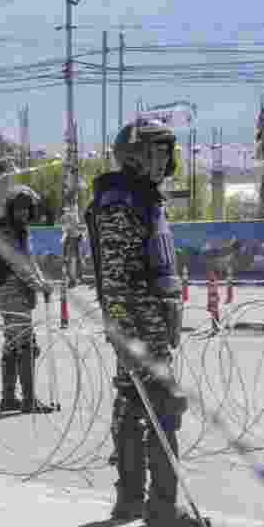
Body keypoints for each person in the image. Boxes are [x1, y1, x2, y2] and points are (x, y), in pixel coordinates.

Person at [86, 118, 209, 526]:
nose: (168, 159)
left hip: (149, 323)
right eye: (160, 150)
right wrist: (124, 332)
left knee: (134, 406)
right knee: (162, 408)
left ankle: (130, 502)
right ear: (137, 155)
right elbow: (118, 277)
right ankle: (162, 509)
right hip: (139, 326)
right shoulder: (120, 202)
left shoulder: (142, 198)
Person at [0, 186, 53, 413]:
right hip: (11, 291)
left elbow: (30, 261)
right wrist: (38, 285)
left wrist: (42, 281)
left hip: (17, 291)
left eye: (27, 209)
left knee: (13, 344)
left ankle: (8, 398)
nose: (24, 213)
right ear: (11, 209)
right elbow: (17, 264)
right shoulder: (5, 230)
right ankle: (28, 400)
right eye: (19, 209)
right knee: (26, 345)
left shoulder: (20, 230)